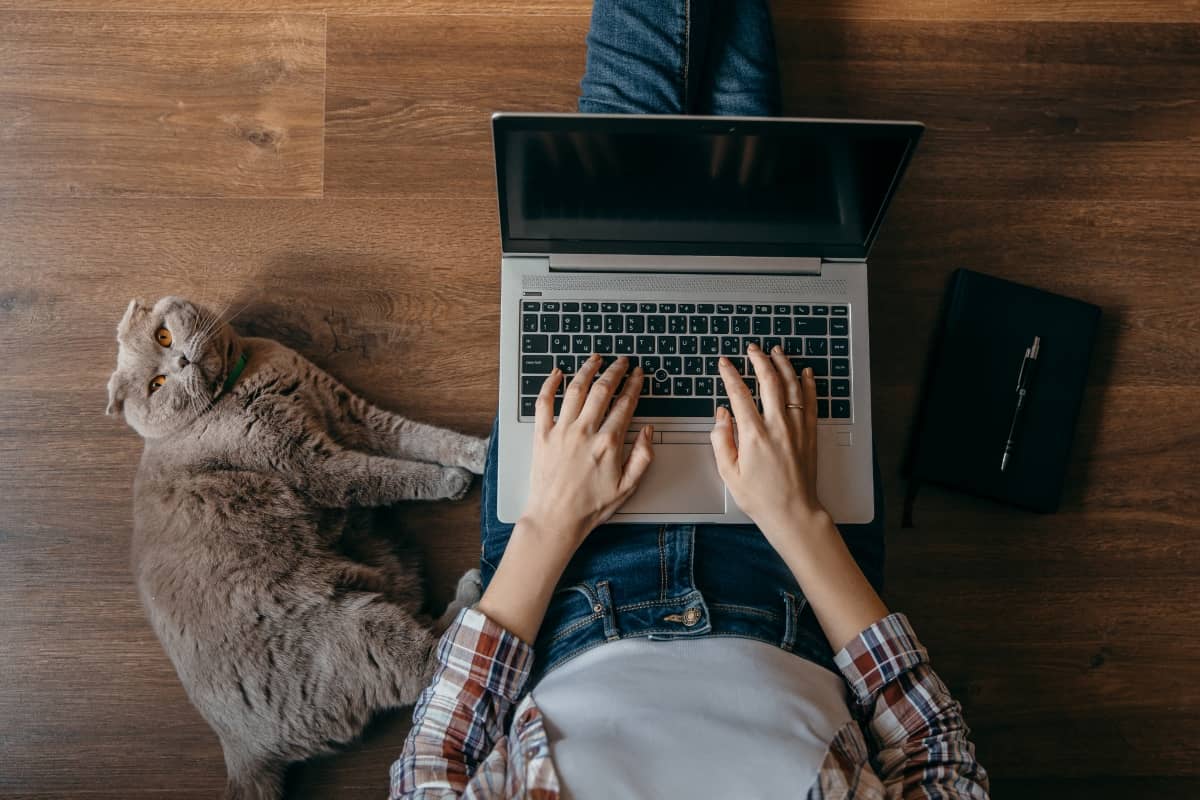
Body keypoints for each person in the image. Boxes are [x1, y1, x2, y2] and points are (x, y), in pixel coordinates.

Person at [390, 1, 989, 797]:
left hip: (563, 570)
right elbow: (935, 752)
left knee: (611, 189)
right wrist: (798, 518)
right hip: (798, 574)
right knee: (758, 202)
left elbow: (436, 753)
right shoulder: (799, 532)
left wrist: (548, 520)